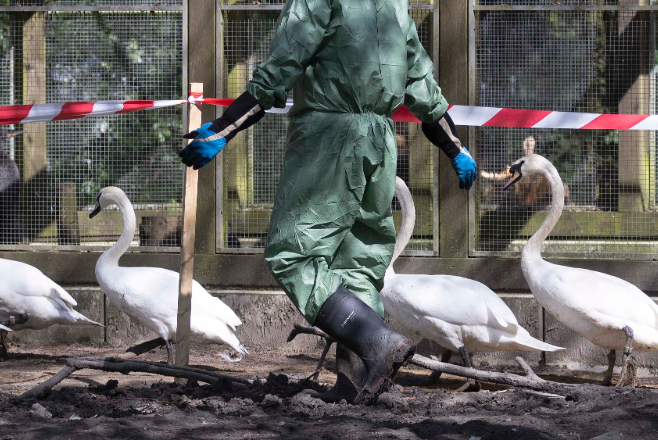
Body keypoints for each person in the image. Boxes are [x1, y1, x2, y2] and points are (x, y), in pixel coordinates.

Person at [179, 0, 478, 404]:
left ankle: (378, 343)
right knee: (362, 262)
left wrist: (223, 128)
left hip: (328, 140)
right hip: (380, 143)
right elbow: (424, 88)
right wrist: (456, 147)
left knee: (293, 255)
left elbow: (279, 70)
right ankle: (356, 384)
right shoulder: (394, 6)